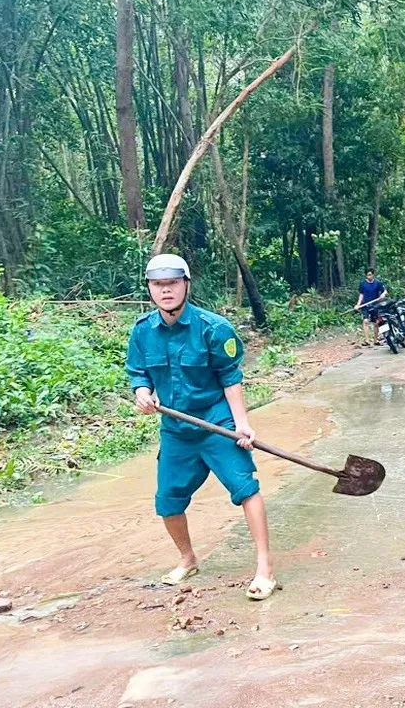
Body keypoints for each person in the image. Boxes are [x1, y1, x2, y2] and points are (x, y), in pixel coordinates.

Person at [126, 255, 277, 601]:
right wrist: (143, 393)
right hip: (177, 427)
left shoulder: (214, 328)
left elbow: (230, 377)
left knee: (245, 488)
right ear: (150, 289)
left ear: (186, 285)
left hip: (216, 422)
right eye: (158, 284)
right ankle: (188, 558)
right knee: (168, 501)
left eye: (172, 283)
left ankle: (264, 567)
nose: (165, 290)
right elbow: (139, 373)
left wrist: (242, 425)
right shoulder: (142, 332)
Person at [353, 269, 388, 345]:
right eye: (367, 275)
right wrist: (358, 304)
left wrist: (383, 294)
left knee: (376, 323)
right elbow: (361, 295)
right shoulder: (362, 284)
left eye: (370, 275)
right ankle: (367, 340)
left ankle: (375, 340)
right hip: (365, 305)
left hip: (375, 305)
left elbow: (385, 291)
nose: (369, 276)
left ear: (373, 275)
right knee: (365, 321)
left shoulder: (378, 283)